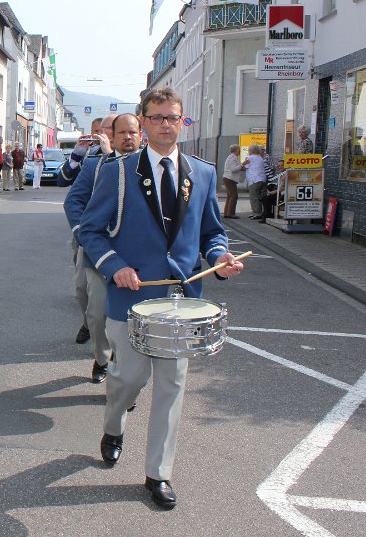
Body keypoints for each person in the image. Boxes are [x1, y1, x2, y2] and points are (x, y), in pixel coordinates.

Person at [80, 87, 244, 509]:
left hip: (180, 302)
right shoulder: (118, 173)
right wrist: (115, 266)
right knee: (127, 380)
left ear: (183, 121)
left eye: (174, 117)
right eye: (157, 118)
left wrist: (219, 257)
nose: (166, 125)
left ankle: (158, 473)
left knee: (171, 386)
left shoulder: (202, 173)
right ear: (144, 122)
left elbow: (211, 232)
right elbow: (91, 231)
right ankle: (114, 424)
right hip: (131, 298)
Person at [64, 113, 143, 384]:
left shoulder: (150, 166)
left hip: (136, 257)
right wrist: (83, 236)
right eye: (118, 131)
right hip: (98, 250)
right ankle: (102, 357)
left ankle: (123, 369)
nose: (126, 137)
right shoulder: (95, 164)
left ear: (140, 135)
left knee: (131, 317)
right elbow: (73, 201)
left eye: (132, 132)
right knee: (95, 313)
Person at [60, 115, 114, 187]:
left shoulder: (115, 151)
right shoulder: (87, 153)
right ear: (91, 133)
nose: (99, 134)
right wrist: (75, 156)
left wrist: (108, 153)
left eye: (102, 131)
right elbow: (62, 182)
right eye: (96, 131)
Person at [243, 144, 267, 219]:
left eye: (249, 150)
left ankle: (257, 213)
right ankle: (260, 212)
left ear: (252, 150)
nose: (248, 151)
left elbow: (244, 167)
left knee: (254, 197)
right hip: (262, 179)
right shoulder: (260, 158)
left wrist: (241, 165)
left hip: (254, 180)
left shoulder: (249, 158)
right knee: (261, 197)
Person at [221, 144, 244, 219]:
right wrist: (243, 165)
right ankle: (231, 213)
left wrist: (242, 167)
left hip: (228, 178)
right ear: (236, 150)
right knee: (234, 196)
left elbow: (238, 167)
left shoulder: (234, 157)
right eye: (239, 150)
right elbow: (233, 169)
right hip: (230, 179)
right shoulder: (232, 158)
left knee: (230, 196)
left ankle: (226, 213)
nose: (239, 151)